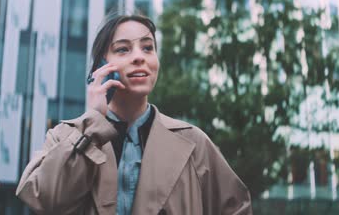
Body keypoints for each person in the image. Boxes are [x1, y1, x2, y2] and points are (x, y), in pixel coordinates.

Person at [16, 12, 252, 215]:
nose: (139, 56)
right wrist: (92, 127)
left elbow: (237, 207)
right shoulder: (65, 136)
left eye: (148, 47)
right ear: (101, 67)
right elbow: (43, 199)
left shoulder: (193, 142)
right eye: (123, 49)